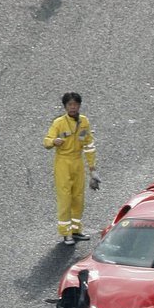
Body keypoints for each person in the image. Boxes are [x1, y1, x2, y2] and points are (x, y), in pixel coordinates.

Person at [43, 92, 99, 246]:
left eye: (75, 104)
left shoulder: (84, 122)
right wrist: (54, 141)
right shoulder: (59, 123)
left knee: (78, 198)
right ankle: (66, 233)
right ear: (65, 107)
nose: (73, 107)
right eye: (70, 105)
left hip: (77, 162)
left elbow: (89, 145)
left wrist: (92, 169)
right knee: (65, 198)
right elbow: (46, 141)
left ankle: (76, 230)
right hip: (63, 163)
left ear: (79, 105)